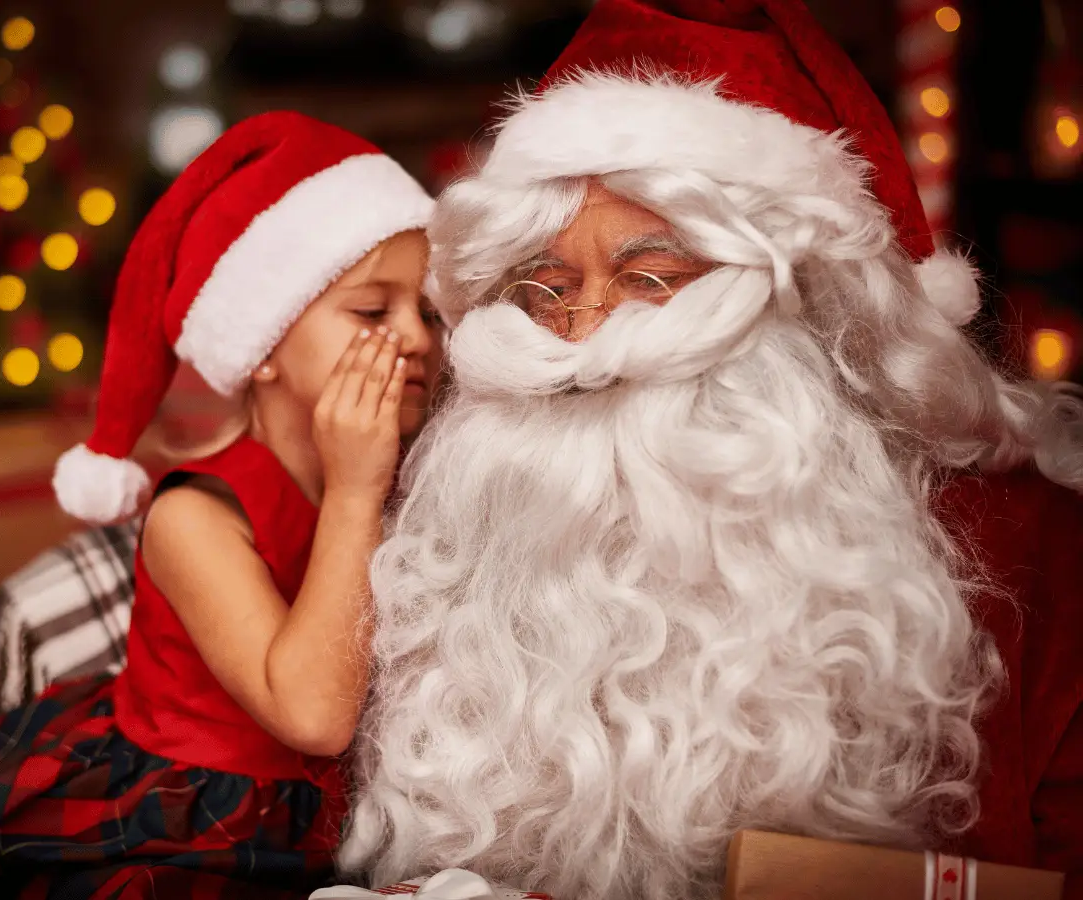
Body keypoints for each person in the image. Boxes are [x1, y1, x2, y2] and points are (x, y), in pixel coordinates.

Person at [336, 2, 1083, 899]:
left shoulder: (1031, 548)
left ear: (810, 305)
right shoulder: (435, 548)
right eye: (546, 289)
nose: (590, 334)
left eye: (652, 279)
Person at [0, 111, 443, 899]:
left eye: (430, 312)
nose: (416, 338)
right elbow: (313, 716)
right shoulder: (196, 518)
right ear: (265, 348)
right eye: (373, 311)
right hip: (190, 818)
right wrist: (354, 490)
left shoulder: (415, 481)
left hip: (348, 809)